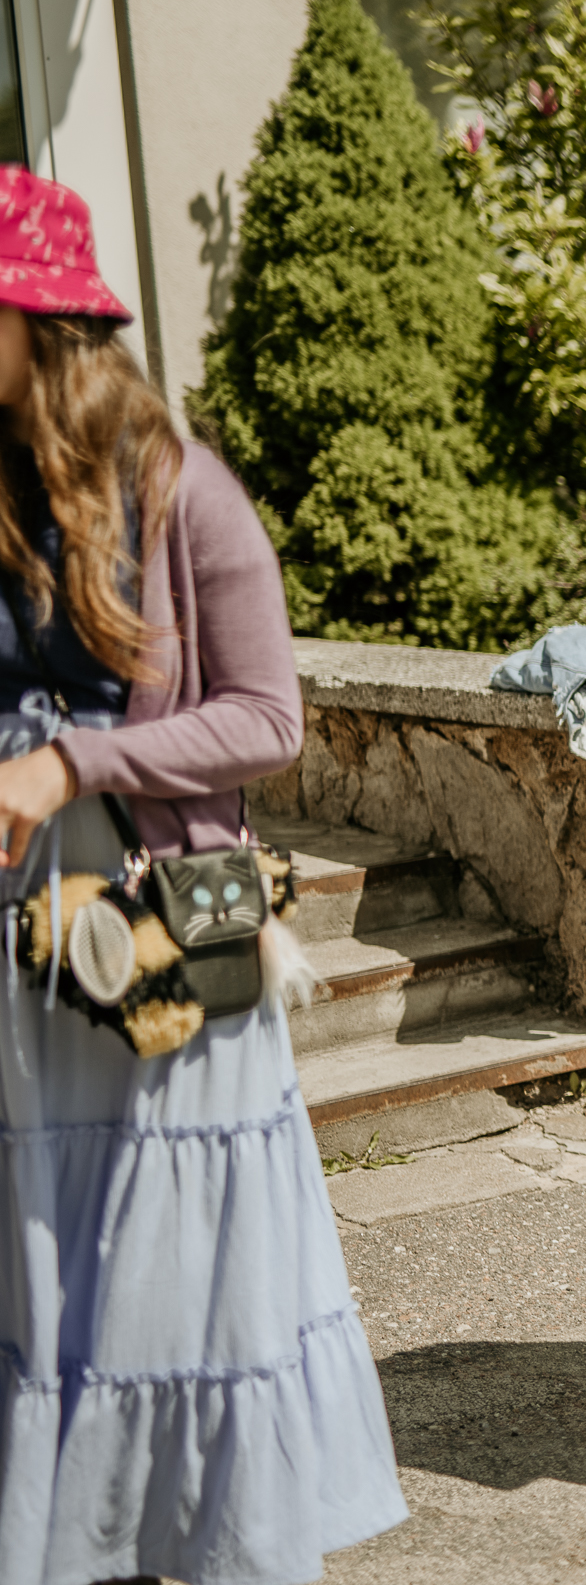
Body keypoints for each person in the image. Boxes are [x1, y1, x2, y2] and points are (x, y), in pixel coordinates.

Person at [0, 168, 408, 1583]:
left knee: (182, 1260)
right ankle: (80, 1540)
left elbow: (268, 720)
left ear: (43, 321)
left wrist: (73, 764)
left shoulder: (184, 489)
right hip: (23, 923)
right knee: (48, 1239)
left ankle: (207, 1533)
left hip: (164, 918)